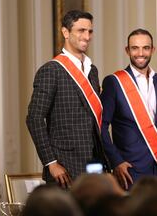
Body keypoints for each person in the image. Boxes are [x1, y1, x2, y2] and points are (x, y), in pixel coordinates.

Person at [26, 10, 108, 189]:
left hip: (94, 166)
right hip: (65, 169)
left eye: (90, 31)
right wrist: (51, 163)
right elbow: (34, 118)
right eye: (81, 30)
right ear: (65, 32)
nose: (87, 36)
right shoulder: (51, 70)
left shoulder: (92, 71)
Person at [100, 28, 157, 190]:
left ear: (153, 50)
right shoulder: (114, 82)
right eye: (135, 48)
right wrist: (116, 162)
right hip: (129, 170)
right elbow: (101, 126)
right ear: (127, 50)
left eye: (146, 47)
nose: (140, 53)